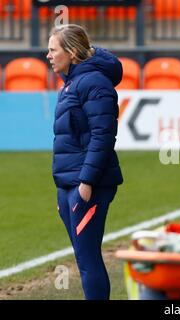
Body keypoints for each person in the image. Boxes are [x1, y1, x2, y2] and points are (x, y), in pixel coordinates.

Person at [47, 24, 123, 300]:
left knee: (88, 259)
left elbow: (103, 136)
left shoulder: (94, 83)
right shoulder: (71, 84)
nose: (48, 55)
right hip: (70, 184)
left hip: (88, 184)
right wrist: (63, 188)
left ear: (72, 52)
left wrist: (86, 182)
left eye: (53, 50)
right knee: (83, 258)